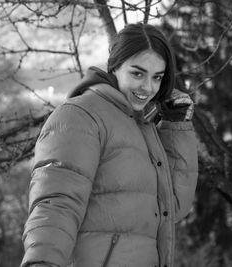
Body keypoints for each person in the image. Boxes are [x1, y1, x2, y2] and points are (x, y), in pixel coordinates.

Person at [21, 23, 198, 267]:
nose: (148, 87)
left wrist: (176, 126)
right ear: (114, 66)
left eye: (157, 77)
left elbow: (173, 208)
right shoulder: (80, 116)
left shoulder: (142, 125)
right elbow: (56, 204)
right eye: (137, 73)